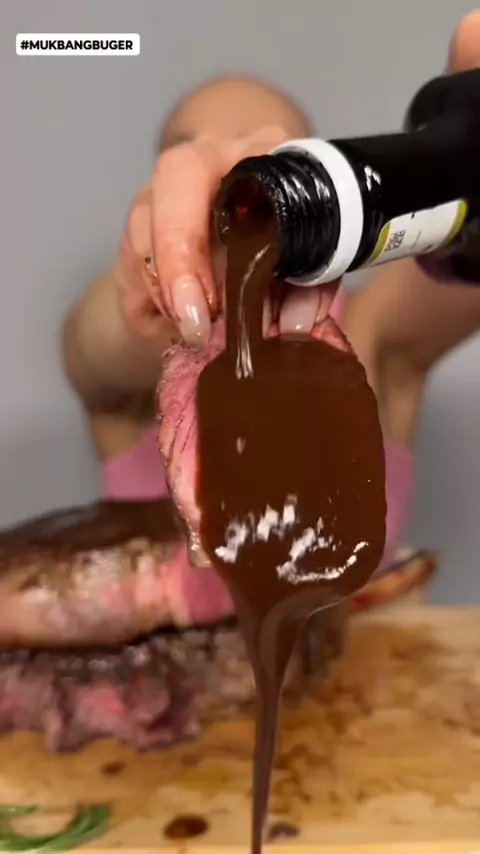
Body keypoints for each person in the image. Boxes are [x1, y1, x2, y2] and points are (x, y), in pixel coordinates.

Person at [62, 11, 480, 613]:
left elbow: (464, 253)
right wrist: (151, 287)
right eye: (188, 151)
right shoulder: (139, 359)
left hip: (379, 671)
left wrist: (456, 157)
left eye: (268, 146)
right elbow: (90, 350)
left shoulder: (372, 332)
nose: (225, 172)